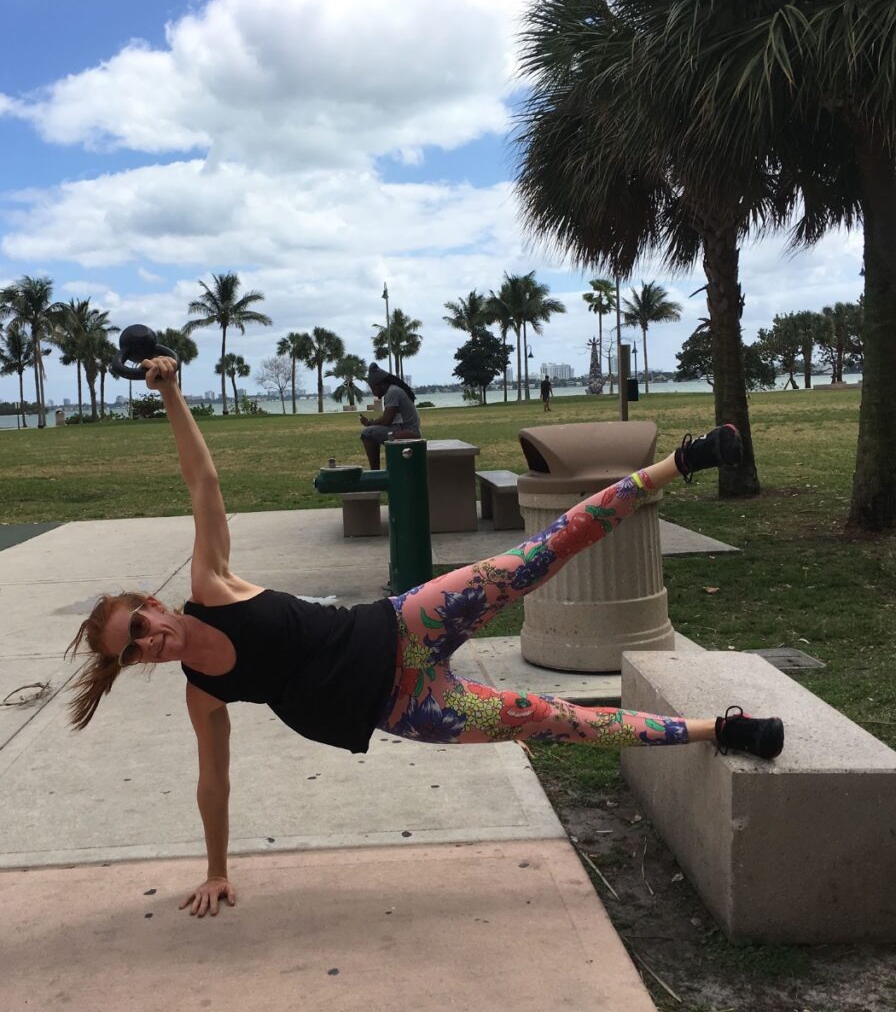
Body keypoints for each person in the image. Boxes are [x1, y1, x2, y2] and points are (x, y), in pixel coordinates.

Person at [66, 356, 784, 918]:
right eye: (129, 653)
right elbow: (213, 783)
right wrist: (217, 869)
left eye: (137, 627)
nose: (145, 644)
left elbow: (205, 485)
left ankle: (679, 462)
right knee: (551, 720)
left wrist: (170, 394)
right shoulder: (203, 693)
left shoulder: (211, 586)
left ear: (153, 605)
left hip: (405, 624)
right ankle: (717, 730)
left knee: (540, 555)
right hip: (405, 707)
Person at [358, 363, 421, 470]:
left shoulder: (392, 392)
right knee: (371, 431)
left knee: (366, 433)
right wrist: (372, 423)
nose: (373, 392)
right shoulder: (394, 390)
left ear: (380, 384)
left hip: (409, 431)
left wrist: (369, 423)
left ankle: (374, 472)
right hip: (405, 428)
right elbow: (388, 419)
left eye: (373, 388)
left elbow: (386, 420)